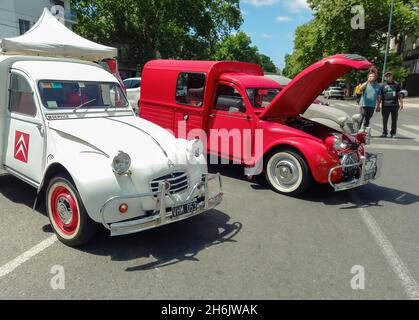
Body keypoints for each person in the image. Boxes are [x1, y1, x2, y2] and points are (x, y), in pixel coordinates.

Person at [378, 71, 404, 138]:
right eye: (387, 76)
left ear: (392, 76)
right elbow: (380, 96)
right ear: (385, 77)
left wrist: (401, 103)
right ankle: (384, 133)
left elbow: (399, 94)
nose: (388, 77)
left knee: (394, 120)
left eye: (389, 76)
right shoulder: (382, 85)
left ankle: (393, 133)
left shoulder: (396, 84)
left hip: (394, 105)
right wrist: (378, 105)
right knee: (384, 120)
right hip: (385, 105)